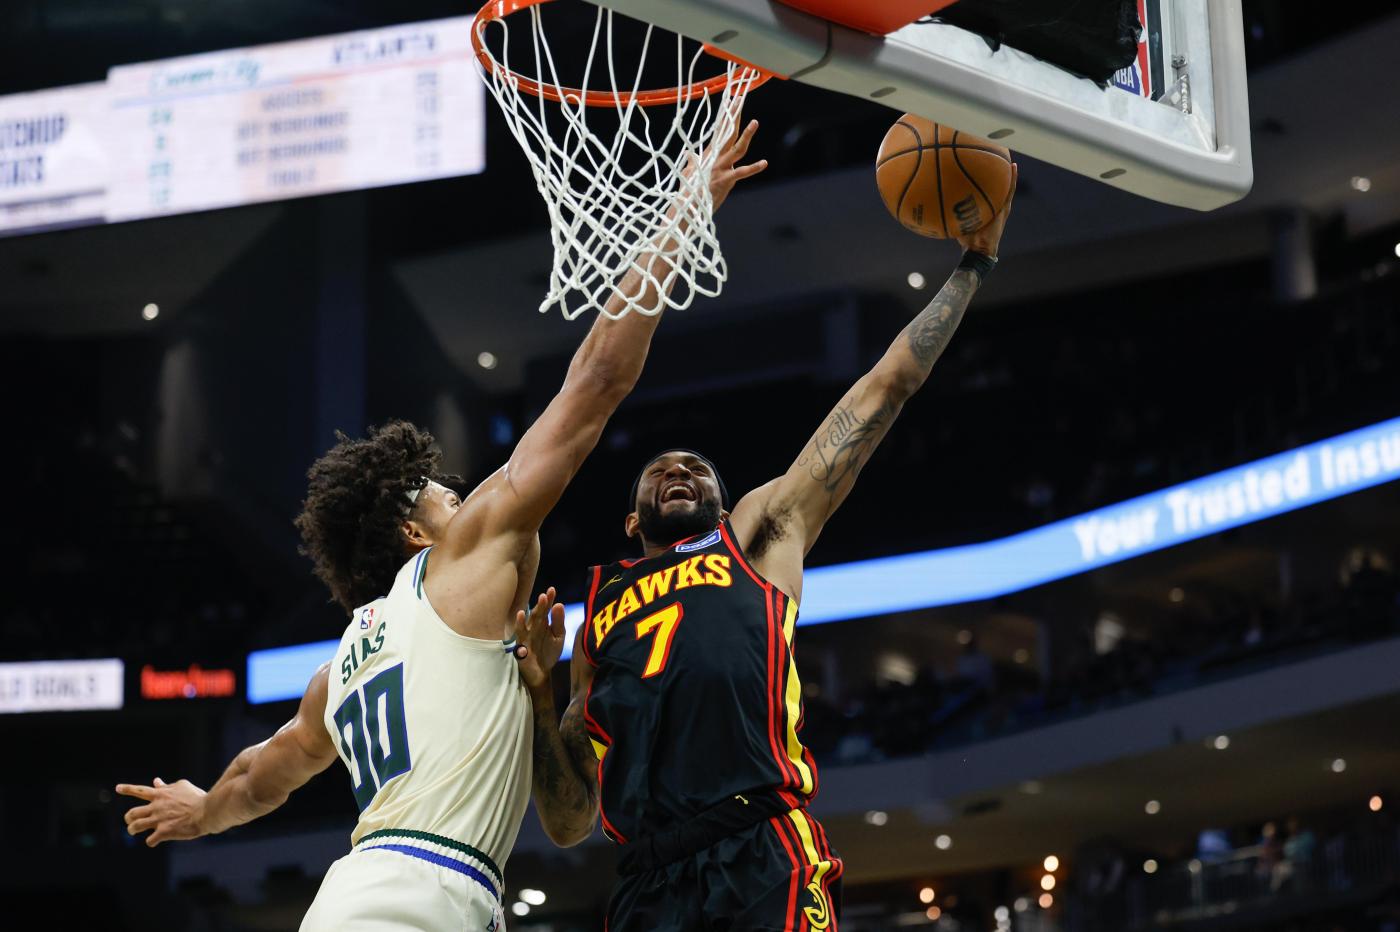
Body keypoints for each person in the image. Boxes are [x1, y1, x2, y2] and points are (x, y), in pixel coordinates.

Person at [114, 120, 768, 931]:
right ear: (417, 537)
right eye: (447, 500)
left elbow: (256, 778)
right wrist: (682, 217)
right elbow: (596, 382)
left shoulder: (335, 676)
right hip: (425, 895)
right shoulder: (458, 568)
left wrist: (203, 810)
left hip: (358, 898)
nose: (467, 502)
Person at [516, 166, 1019, 930]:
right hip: (649, 878)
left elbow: (883, 389)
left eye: (696, 469)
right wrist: (539, 696)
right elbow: (566, 822)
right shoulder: (600, 619)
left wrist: (973, 266)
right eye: (661, 470)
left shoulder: (756, 535)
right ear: (631, 523)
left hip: (758, 843)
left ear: (725, 502)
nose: (679, 472)